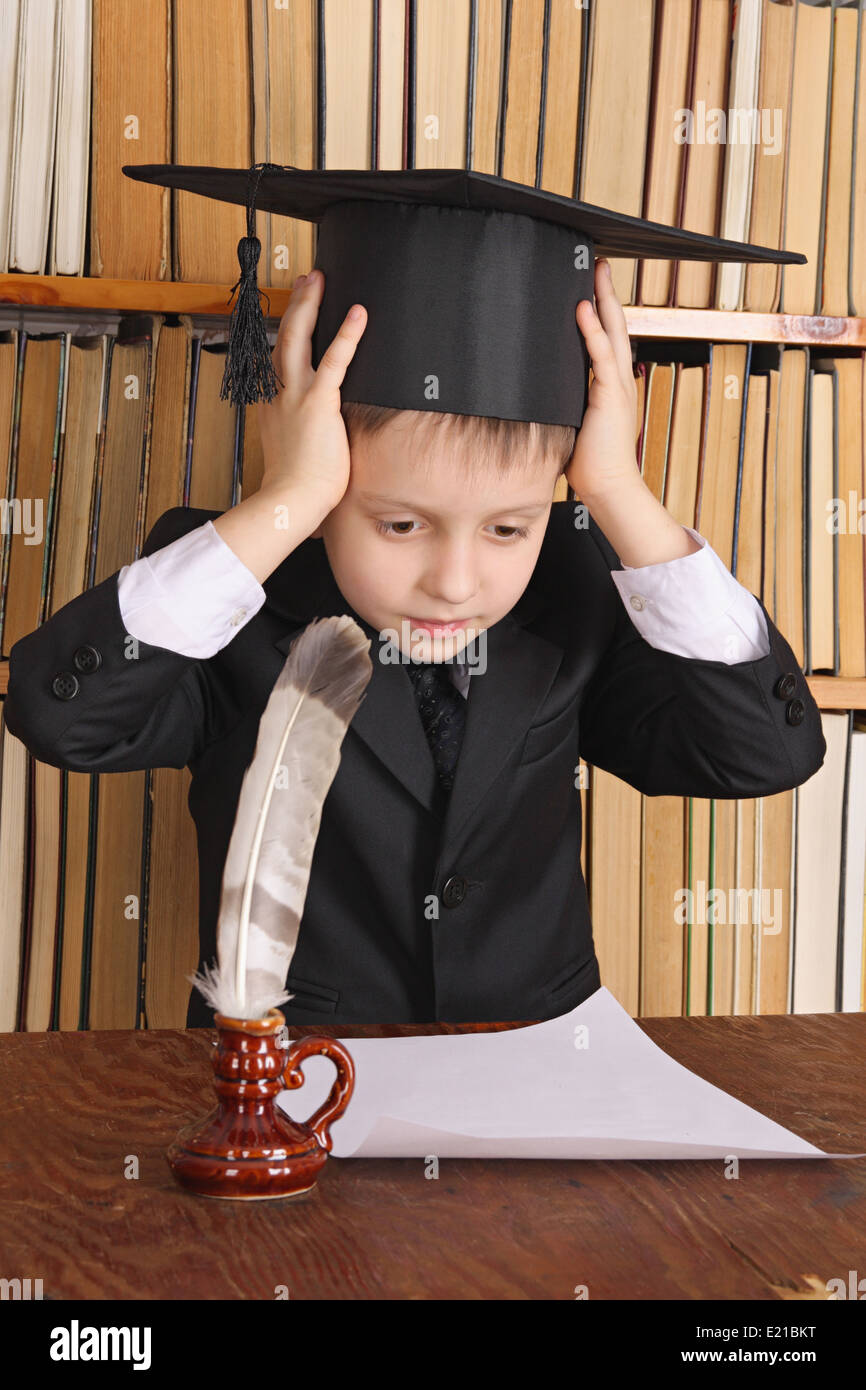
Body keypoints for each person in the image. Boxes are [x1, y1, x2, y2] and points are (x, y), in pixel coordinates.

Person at [5, 166, 825, 1026]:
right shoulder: (232, 602)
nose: (456, 582)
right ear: (325, 482)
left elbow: (763, 754)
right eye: (400, 526)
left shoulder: (575, 591)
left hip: (538, 1069)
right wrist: (286, 501)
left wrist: (617, 489)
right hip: (299, 1085)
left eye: (508, 528)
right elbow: (62, 717)